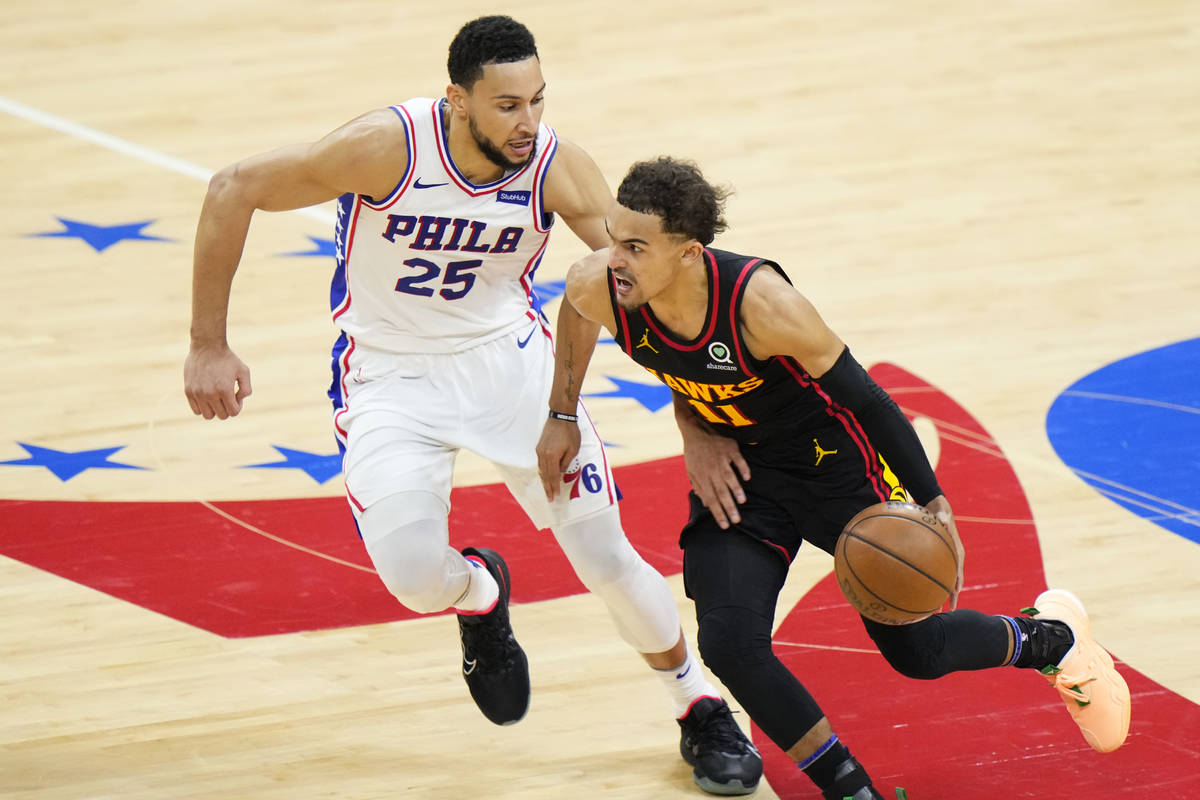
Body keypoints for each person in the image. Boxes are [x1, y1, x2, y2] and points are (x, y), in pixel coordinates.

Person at [182, 15, 762, 796]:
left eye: (538, 101)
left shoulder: (557, 167)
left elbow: (646, 285)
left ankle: (697, 703)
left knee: (604, 555)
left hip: (507, 366)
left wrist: (693, 419)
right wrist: (209, 345)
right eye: (507, 106)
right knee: (416, 580)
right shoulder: (387, 147)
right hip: (390, 377)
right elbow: (232, 187)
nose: (528, 124)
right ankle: (480, 592)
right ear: (457, 99)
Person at [536, 156, 1132, 800]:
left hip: (834, 470)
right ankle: (849, 789)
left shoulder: (764, 305)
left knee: (918, 654)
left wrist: (934, 503)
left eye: (633, 246)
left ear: (689, 254)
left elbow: (870, 401)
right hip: (742, 475)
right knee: (730, 643)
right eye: (612, 235)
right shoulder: (600, 283)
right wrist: (566, 412)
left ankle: (1049, 639)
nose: (612, 258)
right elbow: (577, 311)